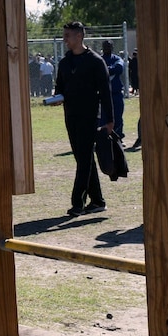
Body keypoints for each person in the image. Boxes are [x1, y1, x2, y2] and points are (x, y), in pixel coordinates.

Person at [53, 21, 113, 216]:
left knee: (85, 158)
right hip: (70, 117)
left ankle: (77, 203)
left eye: (68, 36)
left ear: (79, 36)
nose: (65, 40)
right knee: (82, 158)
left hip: (89, 117)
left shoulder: (95, 61)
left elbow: (105, 92)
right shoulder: (64, 62)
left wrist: (109, 119)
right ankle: (97, 201)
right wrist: (56, 98)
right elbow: (59, 88)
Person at [102, 41, 128, 140]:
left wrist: (105, 70)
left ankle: (118, 137)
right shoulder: (99, 59)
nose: (107, 48)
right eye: (105, 46)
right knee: (103, 118)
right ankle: (104, 138)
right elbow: (95, 70)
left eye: (109, 46)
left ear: (112, 47)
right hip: (103, 95)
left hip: (116, 94)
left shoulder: (117, 59)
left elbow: (119, 68)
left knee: (117, 117)